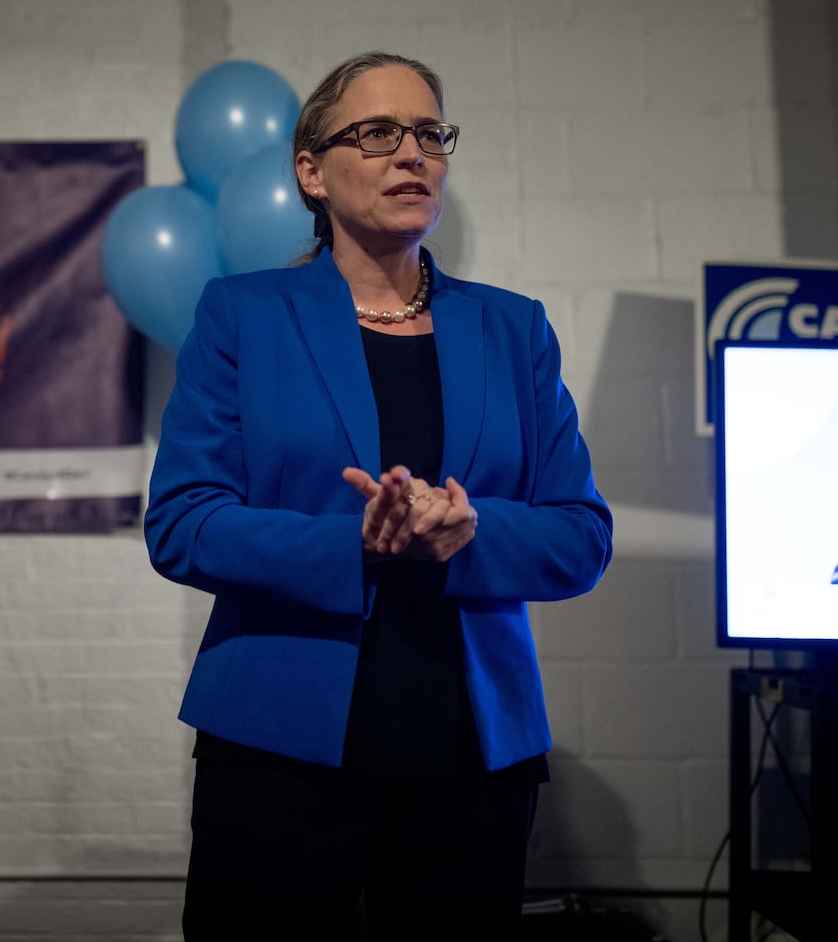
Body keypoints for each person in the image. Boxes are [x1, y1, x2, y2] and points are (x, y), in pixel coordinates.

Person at [144, 51, 613, 940]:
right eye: (379, 133)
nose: (413, 154)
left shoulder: (513, 326)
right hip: (277, 749)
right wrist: (352, 547)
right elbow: (183, 522)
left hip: (472, 751)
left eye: (430, 133)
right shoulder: (242, 313)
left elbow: (580, 535)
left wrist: (469, 531)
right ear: (311, 172)